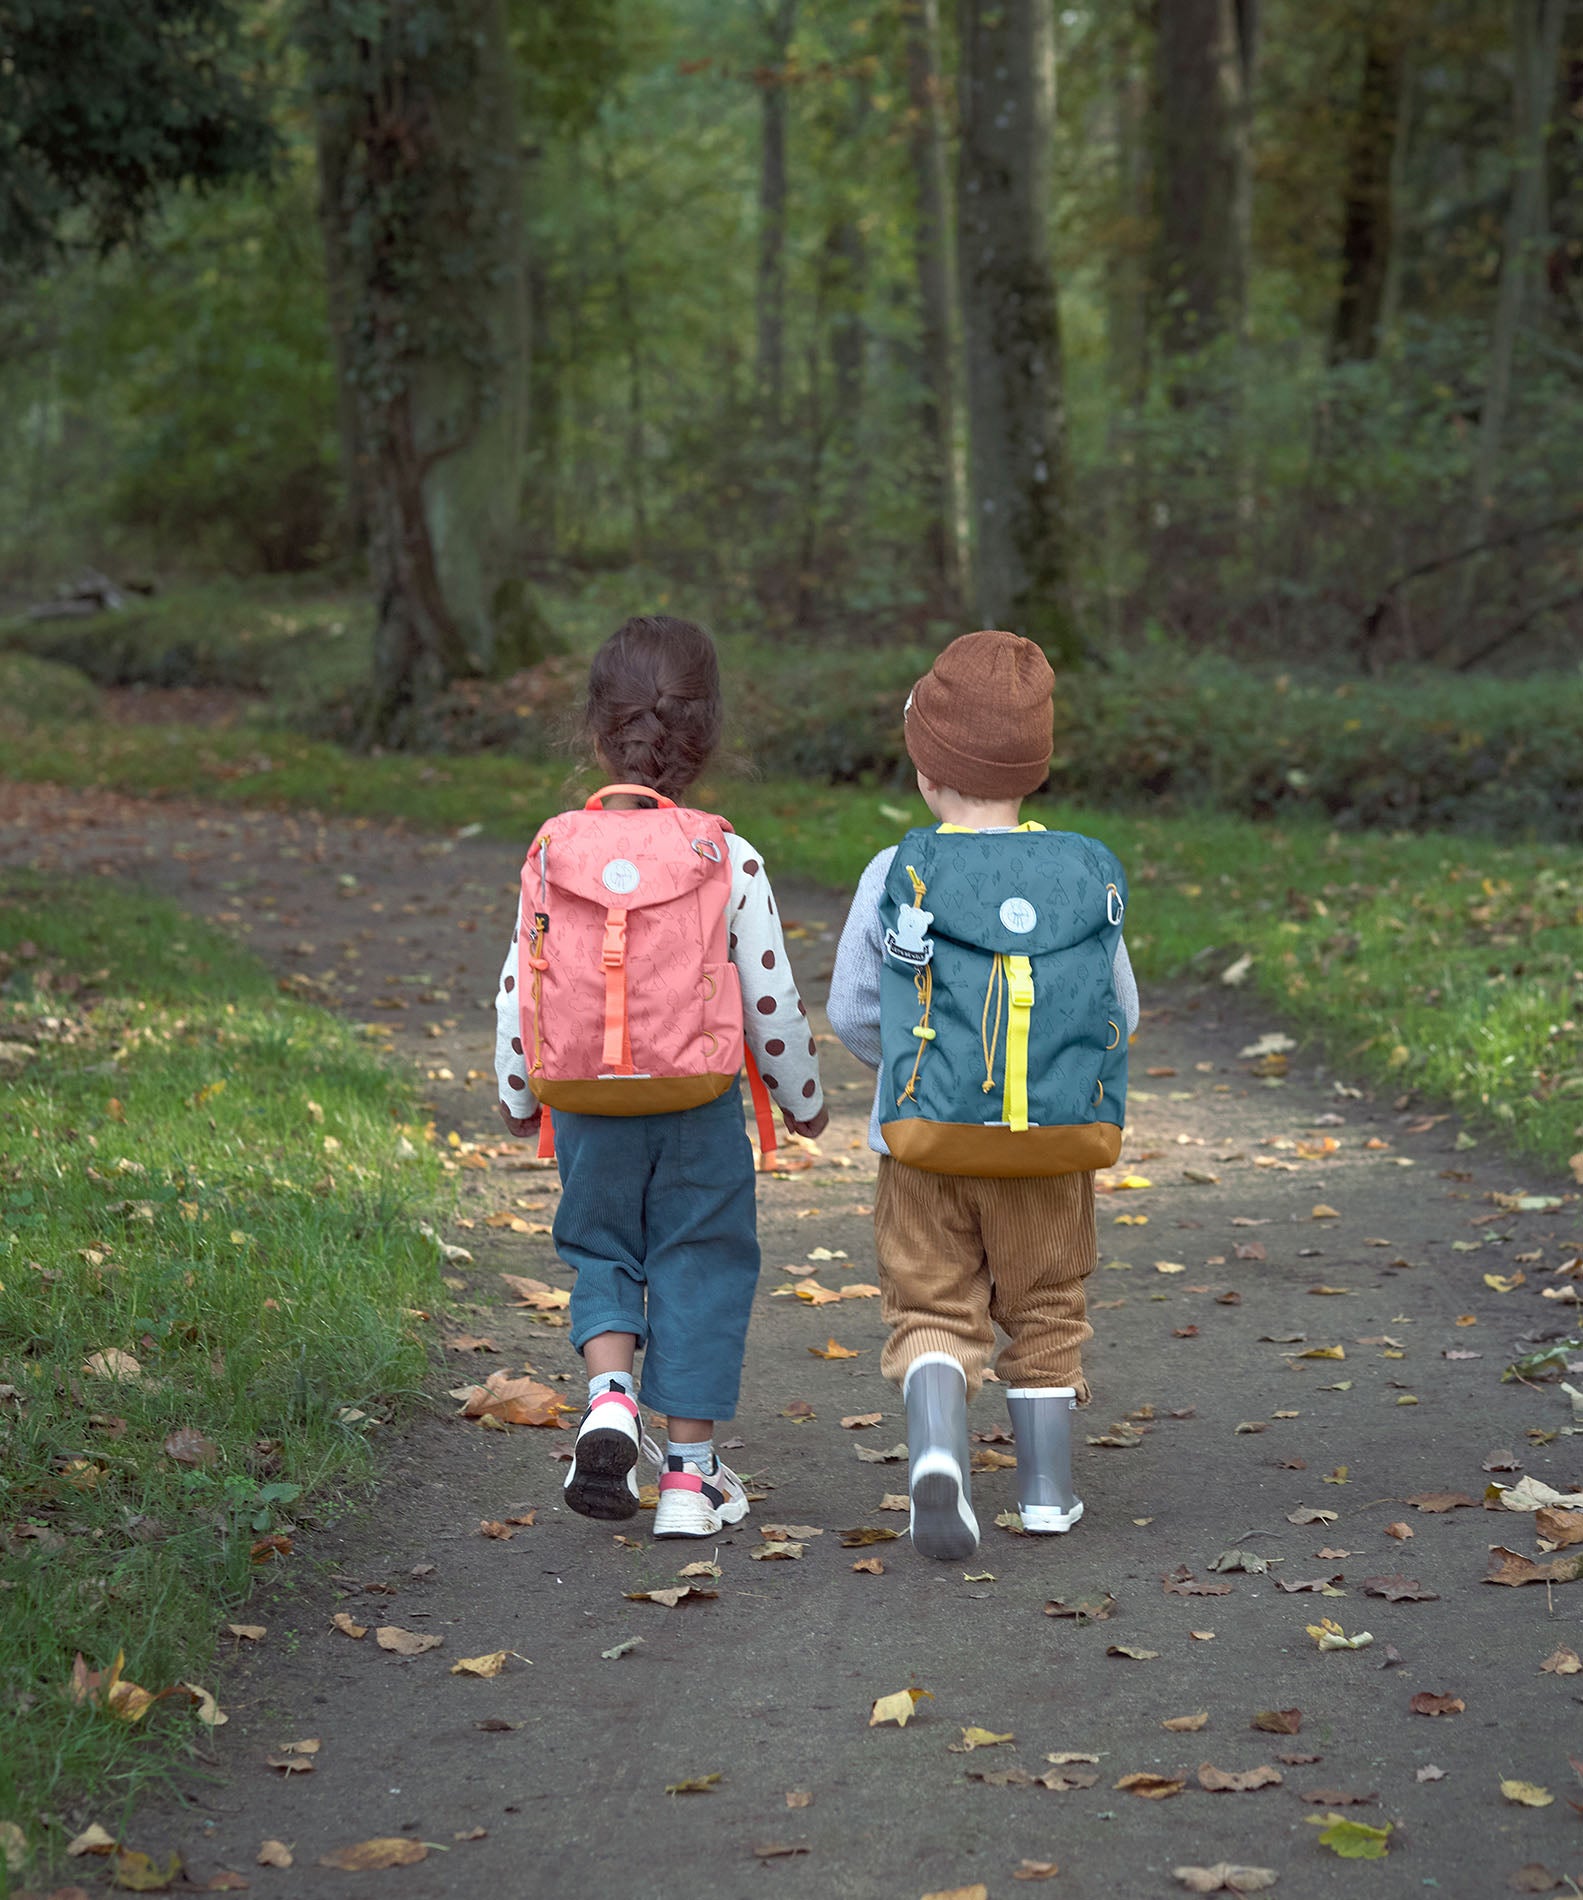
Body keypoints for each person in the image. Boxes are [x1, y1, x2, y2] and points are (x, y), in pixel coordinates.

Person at [494, 615, 828, 1540]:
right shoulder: (726, 853)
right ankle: (689, 1479)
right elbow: (769, 998)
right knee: (702, 1264)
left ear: (600, 728)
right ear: (705, 733)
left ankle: (608, 1400)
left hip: (588, 1102)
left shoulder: (554, 849)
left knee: (600, 1250)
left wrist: (522, 1091)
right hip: (696, 1105)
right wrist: (801, 1098)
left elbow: (521, 986)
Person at [827, 630, 1139, 1560]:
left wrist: (913, 1078)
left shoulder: (897, 870)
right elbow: (1121, 1009)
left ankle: (935, 1453)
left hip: (921, 1145)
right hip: (1050, 1147)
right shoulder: (1085, 872)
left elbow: (850, 1008)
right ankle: (1044, 1494)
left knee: (929, 1306)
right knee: (1045, 1305)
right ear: (1033, 769)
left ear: (926, 769)